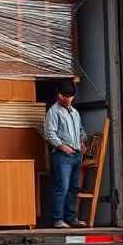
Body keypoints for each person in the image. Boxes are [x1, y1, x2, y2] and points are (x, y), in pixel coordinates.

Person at [44, 81, 88, 229]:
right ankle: (58, 219)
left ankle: (71, 218)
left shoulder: (75, 112)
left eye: (71, 96)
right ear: (59, 95)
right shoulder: (53, 112)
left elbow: (81, 130)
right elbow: (50, 134)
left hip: (76, 155)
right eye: (65, 96)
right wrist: (63, 147)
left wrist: (82, 142)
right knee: (61, 187)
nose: (68, 99)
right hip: (62, 156)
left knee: (74, 188)